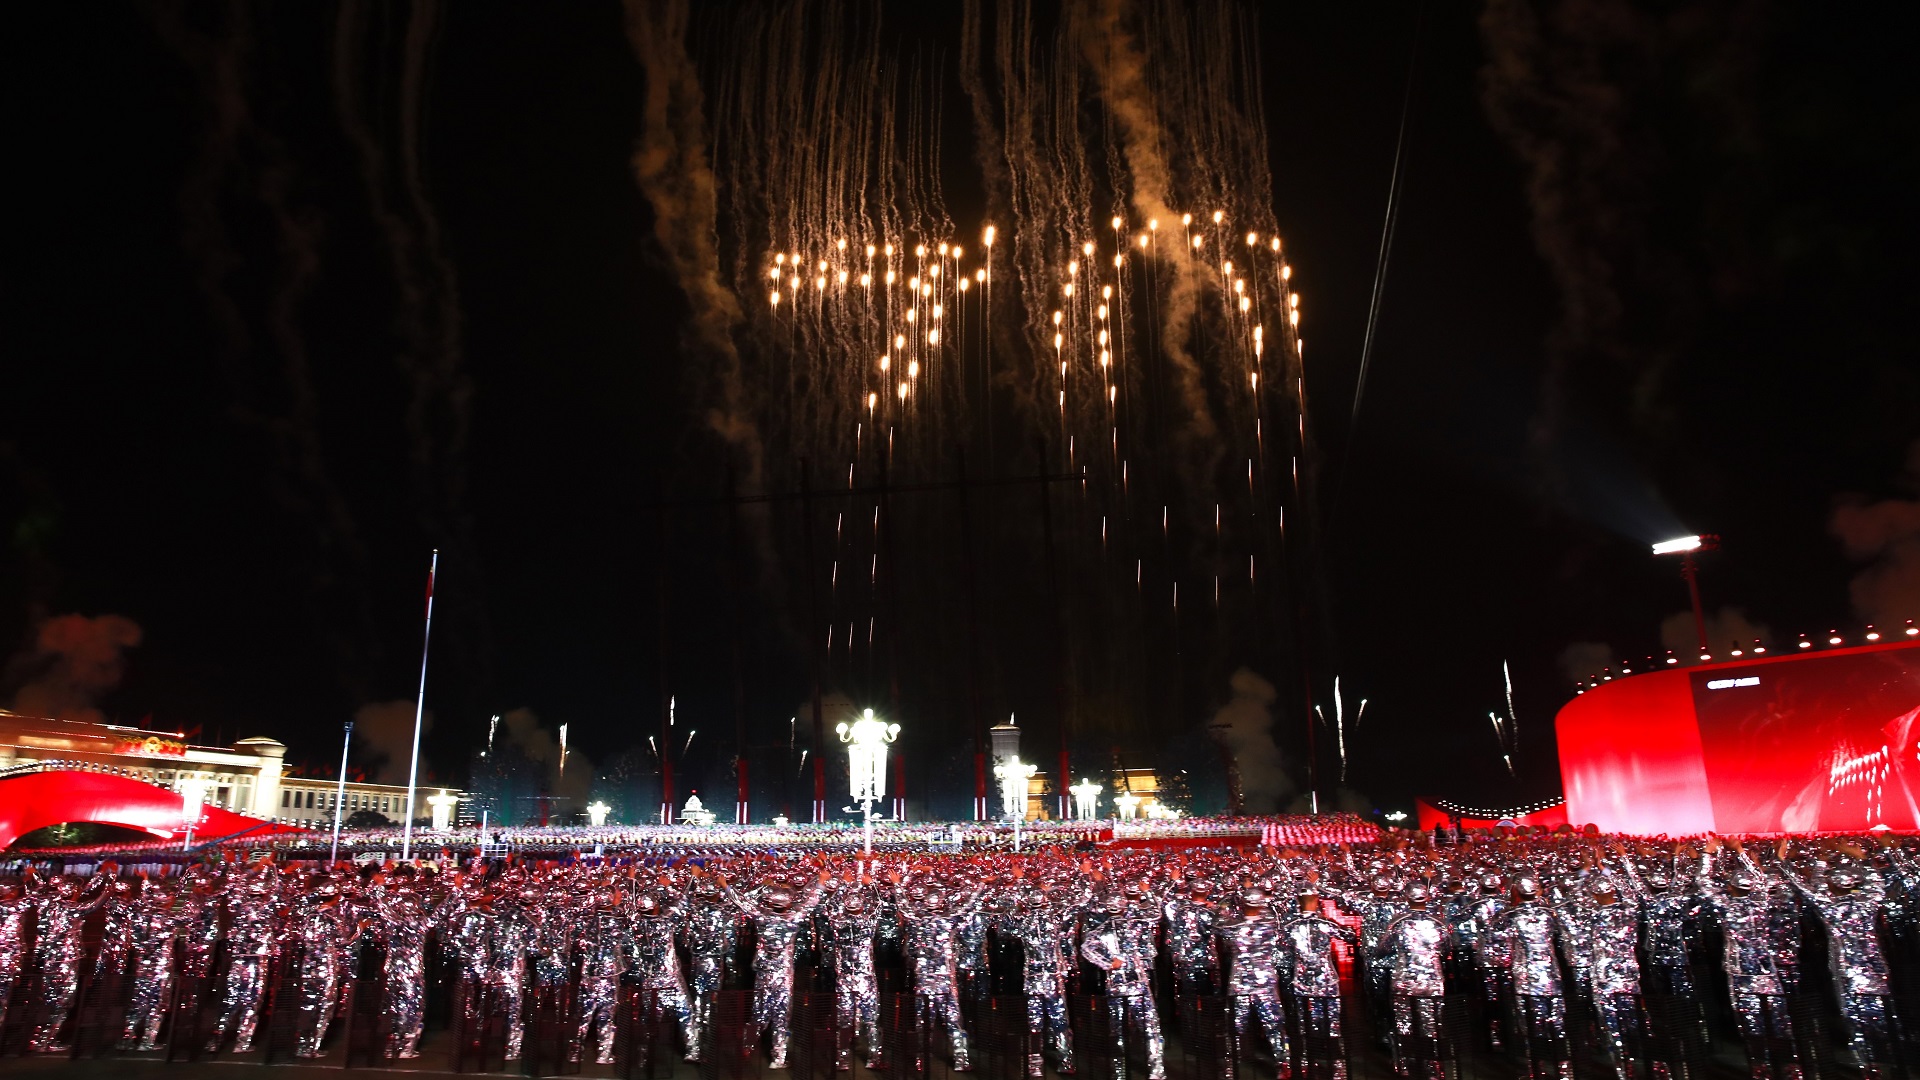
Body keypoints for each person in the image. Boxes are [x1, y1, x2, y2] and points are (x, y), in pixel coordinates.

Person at [1373, 881, 1451, 1080]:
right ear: (1427, 897)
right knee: (1432, 1025)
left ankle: (1406, 1065)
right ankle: (1434, 1068)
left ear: (1406, 897)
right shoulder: (1438, 922)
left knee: (1405, 1024)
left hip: (1404, 981)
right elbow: (1448, 948)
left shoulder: (1398, 922)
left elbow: (1382, 949)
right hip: (1432, 981)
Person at [1279, 887, 1356, 1080]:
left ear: (1299, 902)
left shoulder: (1289, 926)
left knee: (1303, 1024)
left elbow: (1281, 953)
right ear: (1315, 901)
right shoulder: (1325, 923)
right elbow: (1350, 936)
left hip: (1301, 980)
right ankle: (1337, 1067)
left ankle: (1305, 1063)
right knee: (1332, 1024)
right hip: (1326, 980)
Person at [1215, 886, 1287, 1078]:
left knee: (1236, 1026)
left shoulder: (1233, 926)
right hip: (1262, 982)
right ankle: (1284, 1063)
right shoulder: (1271, 923)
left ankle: (1231, 1067)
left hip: (1243, 983)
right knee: (1274, 1024)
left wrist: (1225, 901)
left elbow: (1217, 922)